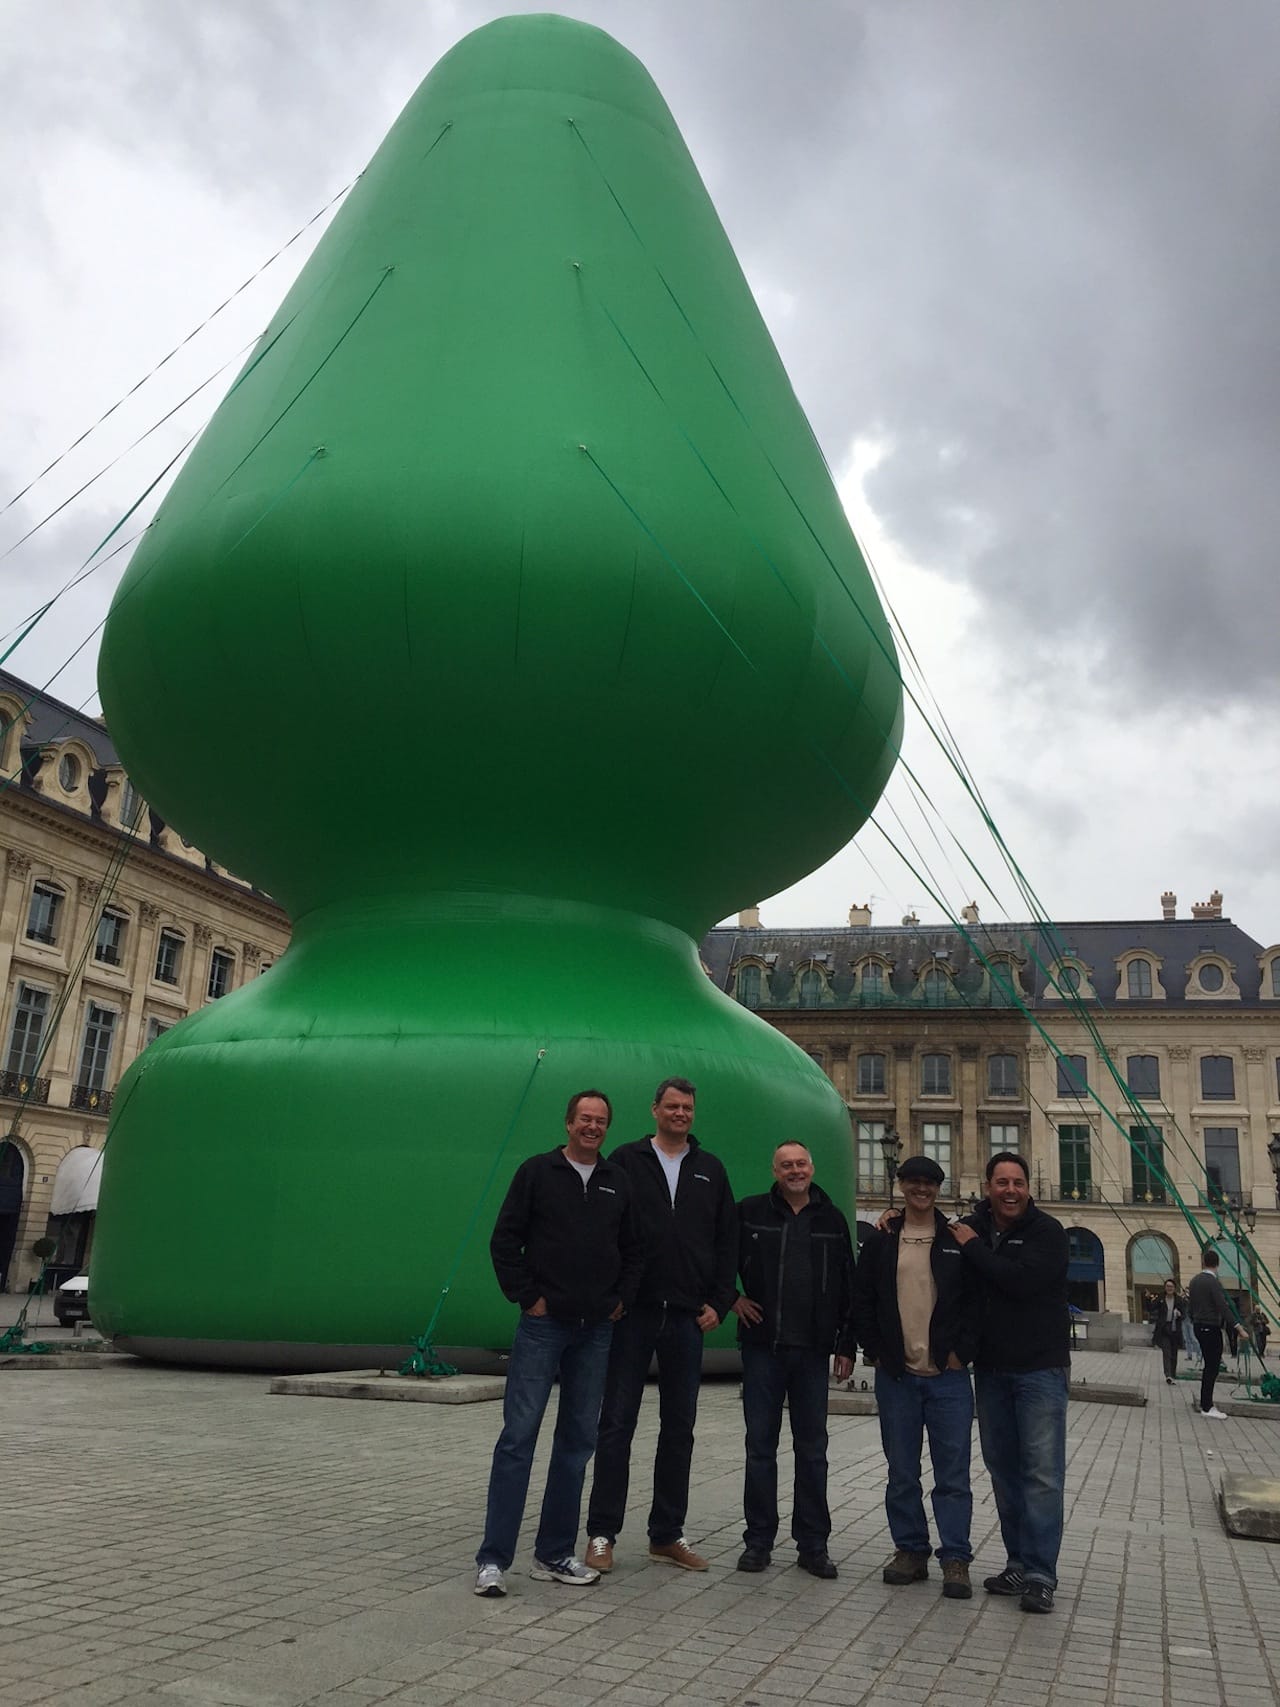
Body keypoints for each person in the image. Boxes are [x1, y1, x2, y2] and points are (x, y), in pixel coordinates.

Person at [474, 1089, 643, 1597]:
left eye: (601, 1121)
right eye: (585, 1119)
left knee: (577, 1443)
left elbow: (635, 1250)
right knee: (518, 1438)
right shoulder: (537, 1173)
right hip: (543, 1326)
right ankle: (493, 1559)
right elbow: (505, 1240)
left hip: (596, 1329)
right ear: (568, 1123)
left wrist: (621, 1300)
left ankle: (553, 1553)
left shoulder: (617, 1181)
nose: (593, 1127)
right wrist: (528, 1297)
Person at [585, 1076, 737, 1574]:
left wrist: (720, 1301)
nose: (680, 1114)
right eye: (672, 1106)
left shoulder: (710, 1169)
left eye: (687, 1107)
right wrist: (613, 1296)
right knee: (616, 1424)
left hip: (688, 1316)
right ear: (654, 1110)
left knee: (679, 1429)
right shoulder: (626, 1161)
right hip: (634, 1314)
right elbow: (604, 1230)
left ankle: (667, 1534)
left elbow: (727, 1240)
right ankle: (602, 1533)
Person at [853, 1155, 979, 1600]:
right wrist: (874, 1349)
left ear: (938, 1188)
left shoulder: (956, 1239)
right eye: (913, 1182)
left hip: (948, 1376)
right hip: (897, 1376)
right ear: (901, 1185)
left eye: (929, 1182)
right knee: (901, 1471)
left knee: (953, 1474)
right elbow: (863, 1299)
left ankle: (955, 1557)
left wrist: (962, 1353)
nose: (921, 1189)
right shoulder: (882, 1240)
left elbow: (975, 1302)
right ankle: (910, 1549)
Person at [949, 1151, 1069, 1615]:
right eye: (1002, 1182)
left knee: (1041, 1475)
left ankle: (1041, 1574)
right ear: (988, 1187)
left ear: (1028, 1188)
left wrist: (974, 1249)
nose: (1011, 1191)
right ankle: (1017, 1562)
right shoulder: (973, 1226)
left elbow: (1020, 1282)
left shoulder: (1048, 1233)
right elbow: (931, 1231)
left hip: (1040, 1369)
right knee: (1003, 1470)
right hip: (992, 1369)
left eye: (1018, 1182)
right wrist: (893, 1218)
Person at [732, 1141, 855, 1581]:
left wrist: (846, 1344)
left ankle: (813, 1545)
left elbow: (848, 1284)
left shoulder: (832, 1219)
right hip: (763, 1348)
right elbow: (717, 1256)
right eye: (786, 1165)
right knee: (760, 1448)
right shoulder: (750, 1212)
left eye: (801, 1163)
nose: (795, 1171)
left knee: (813, 1451)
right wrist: (731, 1298)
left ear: (812, 1168)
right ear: (775, 1170)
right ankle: (758, 1541)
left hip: (813, 1352)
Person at [1187, 1246, 1233, 1420]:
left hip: (1198, 1325)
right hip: (1210, 1326)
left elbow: (1190, 1306)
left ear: (1203, 1262)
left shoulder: (1194, 1281)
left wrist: (1194, 1319)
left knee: (1209, 1365)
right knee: (1212, 1366)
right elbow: (1222, 1306)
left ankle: (1206, 1403)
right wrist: (1237, 1326)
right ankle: (1207, 1406)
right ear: (1217, 1264)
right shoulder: (1213, 1282)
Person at [1151, 1278, 1187, 1384]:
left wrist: (1180, 1314)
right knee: (1166, 1352)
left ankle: (1173, 1373)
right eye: (1167, 1286)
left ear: (1174, 1288)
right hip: (1164, 1328)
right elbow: (1151, 1308)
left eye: (1171, 1286)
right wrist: (1149, 1299)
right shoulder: (1161, 1298)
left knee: (1174, 1353)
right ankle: (1168, 1375)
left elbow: (1184, 1315)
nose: (1169, 1288)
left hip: (1175, 1329)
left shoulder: (1179, 1300)